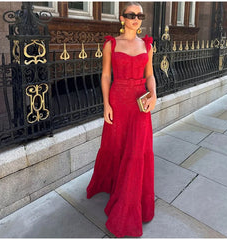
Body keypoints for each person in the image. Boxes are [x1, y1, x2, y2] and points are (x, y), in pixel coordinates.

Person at [86, 2, 157, 237]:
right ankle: (113, 184)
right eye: (131, 15)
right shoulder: (111, 44)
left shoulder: (147, 45)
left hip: (139, 105)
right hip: (118, 100)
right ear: (122, 18)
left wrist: (154, 94)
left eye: (139, 15)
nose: (136, 18)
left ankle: (130, 204)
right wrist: (106, 104)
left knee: (137, 153)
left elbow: (150, 75)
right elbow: (106, 75)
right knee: (116, 147)